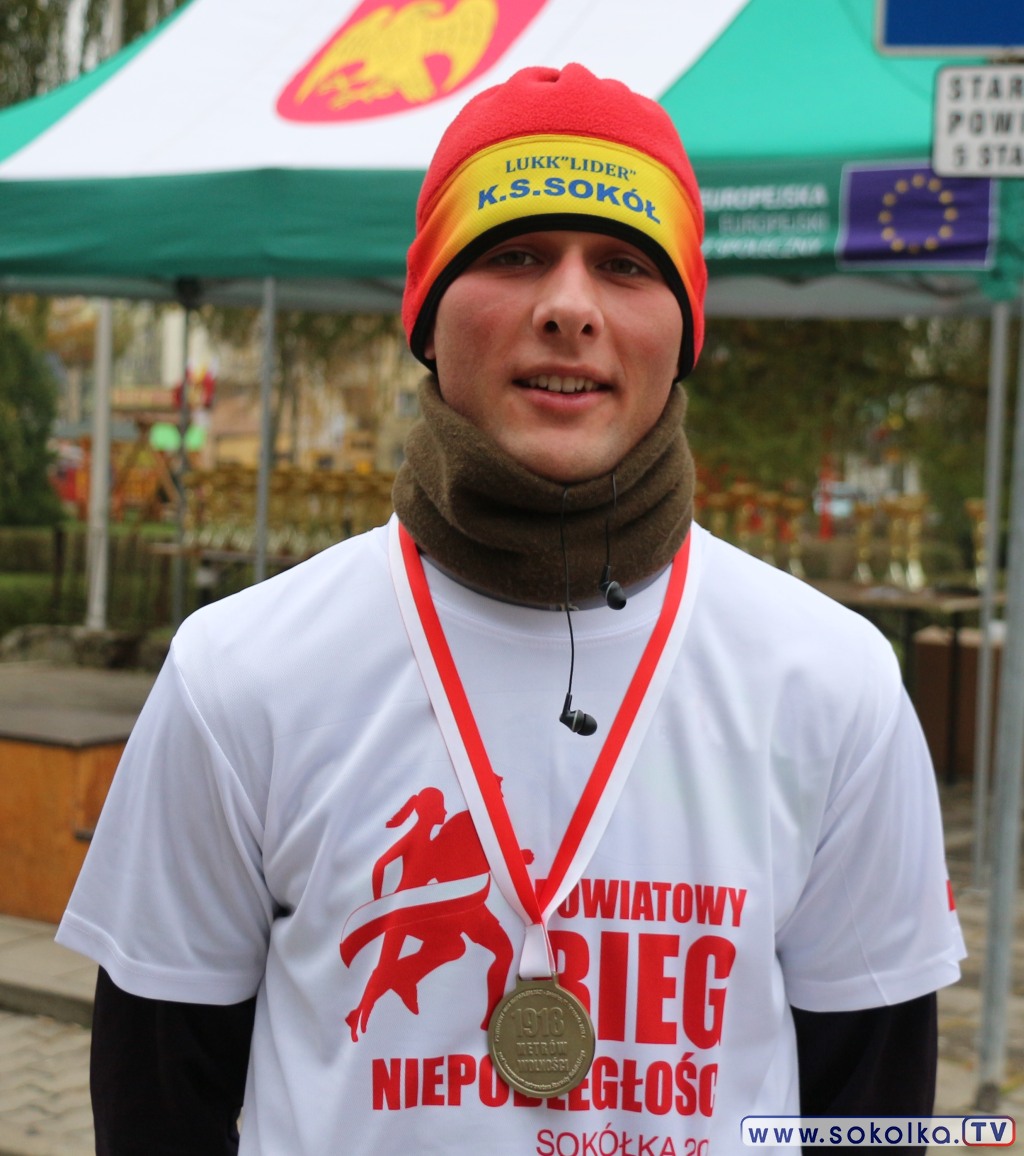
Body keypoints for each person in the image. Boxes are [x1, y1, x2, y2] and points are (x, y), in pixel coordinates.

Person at [58, 63, 964, 1155]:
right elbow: (158, 1103)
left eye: (625, 265)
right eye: (513, 253)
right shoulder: (236, 671)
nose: (568, 306)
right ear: (427, 316)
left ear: (685, 330)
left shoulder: (833, 682)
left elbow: (871, 1113)